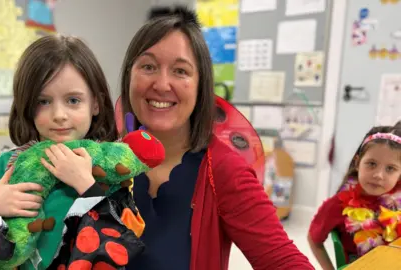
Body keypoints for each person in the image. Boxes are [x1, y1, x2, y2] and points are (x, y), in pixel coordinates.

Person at [118, 6, 314, 270]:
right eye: (148, 66)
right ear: (129, 76)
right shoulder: (107, 161)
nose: (162, 84)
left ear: (201, 86)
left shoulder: (223, 170)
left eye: (180, 71)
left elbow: (283, 261)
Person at [0, 34, 131, 269]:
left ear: (96, 104)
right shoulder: (6, 166)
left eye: (73, 100)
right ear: (26, 105)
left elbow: (123, 242)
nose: (59, 115)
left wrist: (87, 187)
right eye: (43, 101)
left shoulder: (112, 167)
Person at [308, 121, 401, 269]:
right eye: (371, 164)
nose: (378, 175)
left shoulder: (397, 201)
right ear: (357, 163)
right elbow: (314, 239)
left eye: (390, 168)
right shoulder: (337, 205)